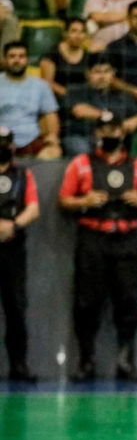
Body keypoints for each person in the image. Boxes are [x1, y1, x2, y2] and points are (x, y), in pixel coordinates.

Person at [58, 117, 137, 383]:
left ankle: (126, 362)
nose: (109, 133)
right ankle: (86, 362)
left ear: (122, 133)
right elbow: (64, 199)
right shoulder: (81, 164)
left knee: (128, 301)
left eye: (114, 129)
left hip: (125, 238)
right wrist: (84, 201)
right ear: (97, 133)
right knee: (87, 302)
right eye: (104, 129)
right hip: (93, 238)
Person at [0, 127, 39, 382]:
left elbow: (33, 207)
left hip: (13, 248)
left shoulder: (23, 175)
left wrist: (13, 225)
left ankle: (19, 365)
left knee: (16, 306)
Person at [62, 54, 137, 156]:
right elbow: (80, 111)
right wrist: (112, 119)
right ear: (87, 73)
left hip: (114, 141)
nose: (102, 76)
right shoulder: (75, 91)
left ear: (113, 74)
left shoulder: (122, 95)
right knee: (80, 148)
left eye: (107, 71)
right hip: (84, 138)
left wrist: (135, 120)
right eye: (97, 72)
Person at [0, 41, 61, 159]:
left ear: (27, 59)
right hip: (1, 140)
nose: (17, 60)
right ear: (4, 60)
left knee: (53, 152)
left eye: (21, 56)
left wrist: (53, 136)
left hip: (31, 140)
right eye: (12, 56)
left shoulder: (41, 86)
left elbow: (50, 114)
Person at [40, 19, 90, 98]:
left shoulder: (88, 55)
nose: (78, 36)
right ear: (65, 33)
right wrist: (70, 96)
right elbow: (47, 83)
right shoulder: (52, 54)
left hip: (82, 97)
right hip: (59, 98)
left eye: (82, 32)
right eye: (74, 31)